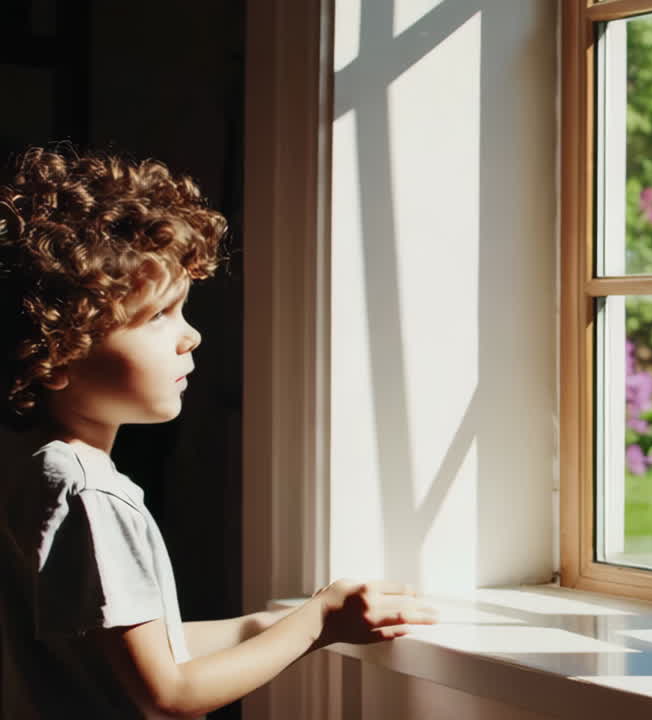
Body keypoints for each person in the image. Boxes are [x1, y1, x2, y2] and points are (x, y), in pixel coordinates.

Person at [0, 147, 436, 718]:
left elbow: (141, 651)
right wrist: (319, 621)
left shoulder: (37, 468)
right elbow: (168, 694)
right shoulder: (91, 497)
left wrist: (265, 625)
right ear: (58, 349)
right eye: (159, 316)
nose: (192, 336)